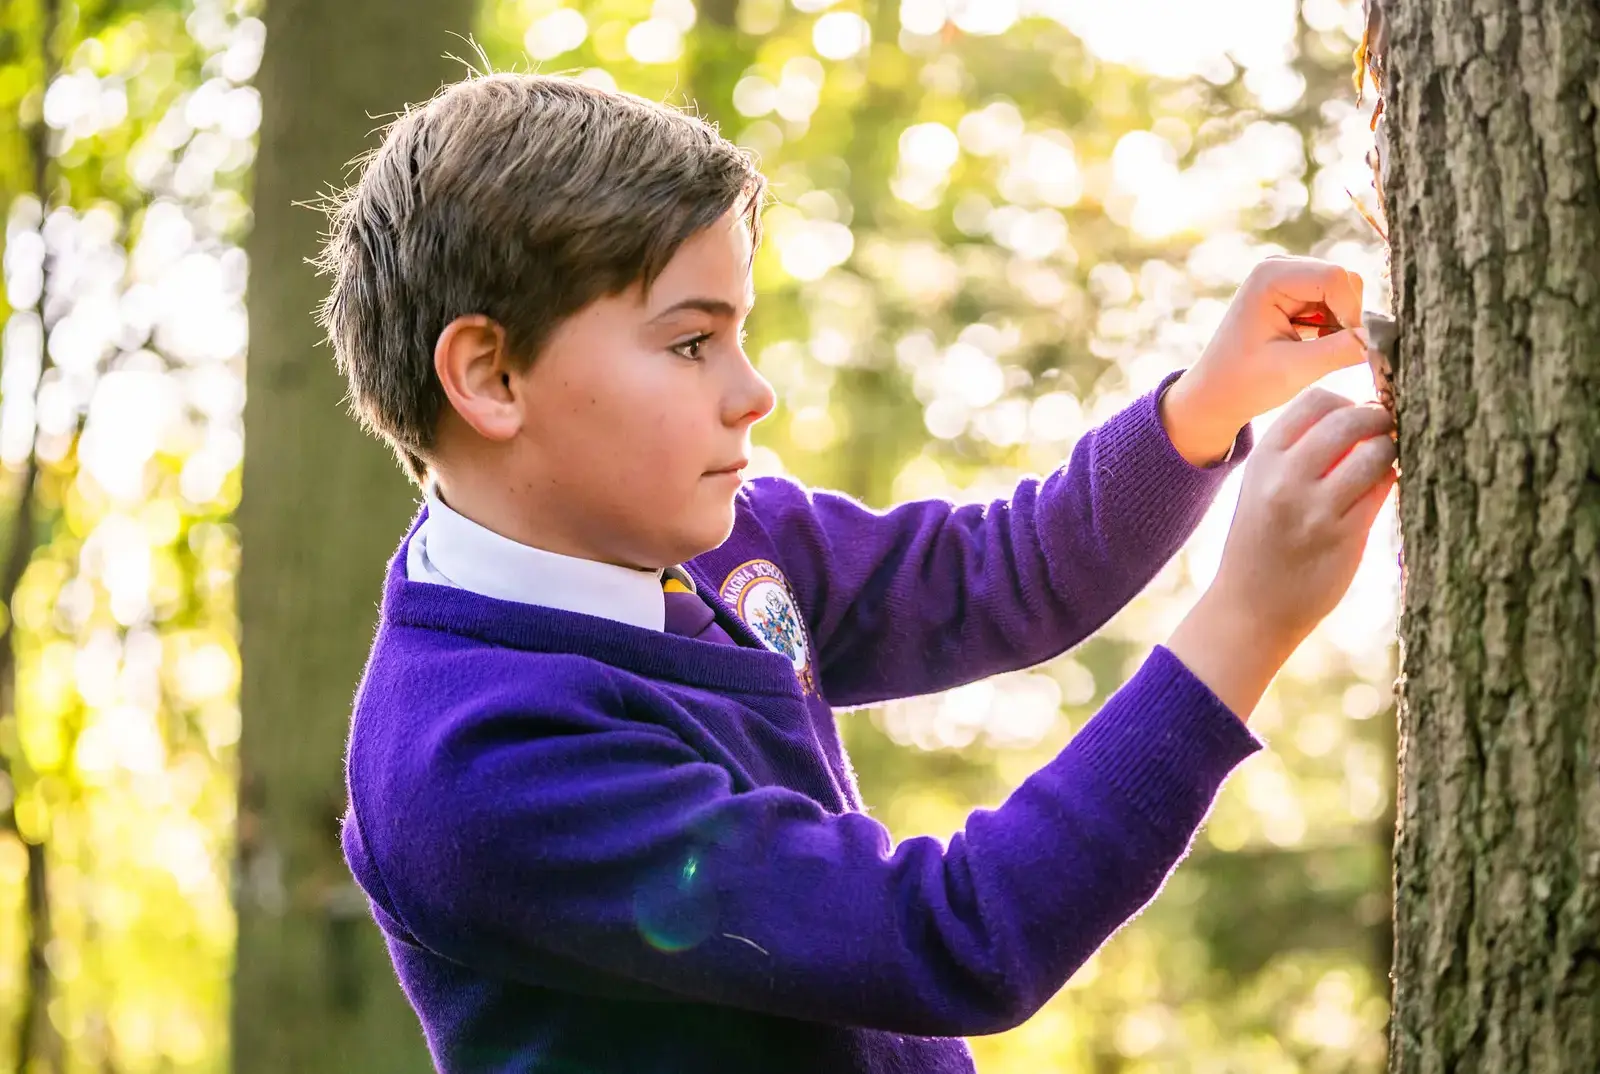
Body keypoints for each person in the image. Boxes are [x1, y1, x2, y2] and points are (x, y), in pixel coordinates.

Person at [321, 73, 1396, 1074]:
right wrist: (1245, 622)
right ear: (490, 376)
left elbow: (1000, 574)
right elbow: (957, 938)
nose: (754, 394)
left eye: (739, 334)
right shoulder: (482, 766)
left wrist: (1202, 407)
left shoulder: (722, 535)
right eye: (691, 344)